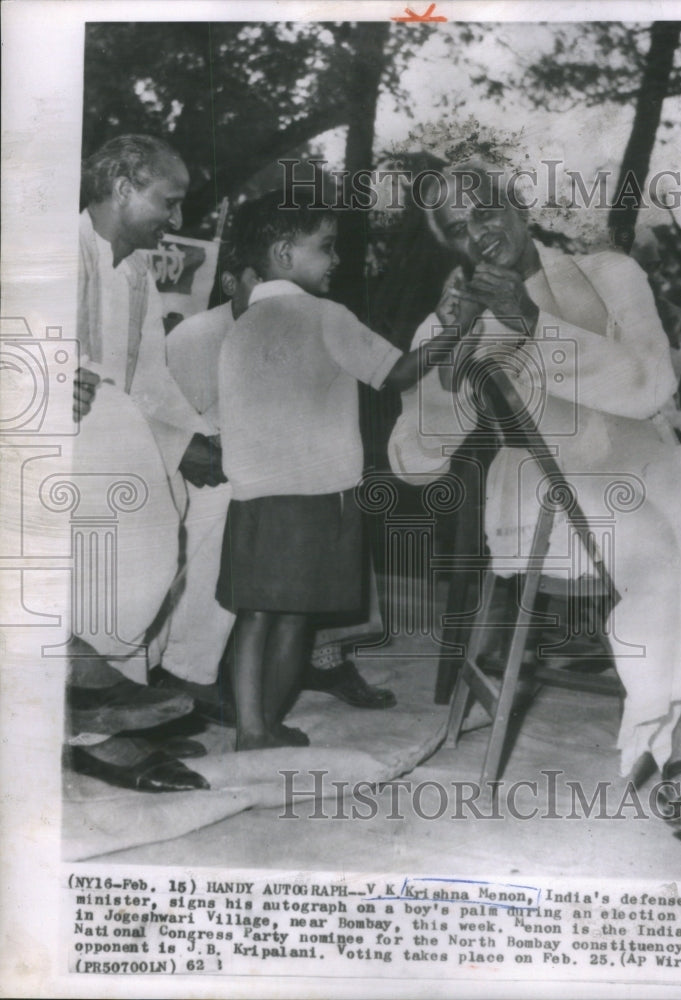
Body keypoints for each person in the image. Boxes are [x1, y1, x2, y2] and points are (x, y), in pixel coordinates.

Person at [387, 160, 681, 855]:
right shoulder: (452, 315)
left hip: (654, 461)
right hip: (551, 495)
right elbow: (413, 461)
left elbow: (650, 384)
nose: (476, 234)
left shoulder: (608, 273)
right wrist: (449, 343)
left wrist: (532, 324)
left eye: (484, 211)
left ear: (515, 202)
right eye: (455, 229)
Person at [216, 191, 459, 750]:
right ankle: (265, 724)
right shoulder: (327, 316)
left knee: (255, 614)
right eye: (326, 247)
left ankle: (253, 727)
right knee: (295, 619)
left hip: (252, 496)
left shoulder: (244, 325)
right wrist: (452, 331)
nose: (337, 259)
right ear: (283, 252)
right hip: (317, 498)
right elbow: (397, 373)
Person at [160, 236, 396, 713]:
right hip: (214, 473)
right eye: (262, 280)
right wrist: (194, 447)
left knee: (332, 499)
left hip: (294, 473)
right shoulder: (199, 334)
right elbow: (169, 419)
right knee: (234, 512)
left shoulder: (309, 318)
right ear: (234, 281)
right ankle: (193, 670)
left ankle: (321, 656)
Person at [68, 134, 226, 791]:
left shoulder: (133, 271)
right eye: (171, 201)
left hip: (111, 431)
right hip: (40, 440)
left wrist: (195, 439)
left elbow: (154, 386)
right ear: (123, 184)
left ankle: (162, 679)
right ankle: (93, 712)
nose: (178, 221)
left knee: (224, 492)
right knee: (137, 505)